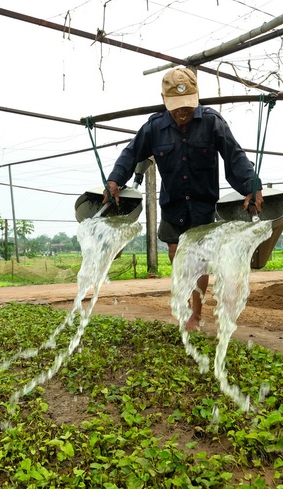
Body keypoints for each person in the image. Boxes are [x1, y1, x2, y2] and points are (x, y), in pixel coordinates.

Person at [104, 66, 263, 331]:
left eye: (187, 105)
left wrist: (251, 185)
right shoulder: (154, 128)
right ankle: (187, 305)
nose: (182, 112)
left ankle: (195, 315)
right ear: (165, 101)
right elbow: (130, 154)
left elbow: (234, 156)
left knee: (199, 260)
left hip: (202, 204)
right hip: (173, 205)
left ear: (196, 97)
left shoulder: (212, 122)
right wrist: (114, 180)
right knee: (178, 257)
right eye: (177, 106)